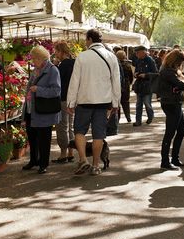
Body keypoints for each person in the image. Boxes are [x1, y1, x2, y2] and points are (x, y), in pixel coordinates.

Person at [66, 29, 120, 176]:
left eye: (86, 39)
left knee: (79, 131)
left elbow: (74, 81)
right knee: (99, 135)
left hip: (84, 101)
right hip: (103, 102)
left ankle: (83, 159)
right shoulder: (111, 57)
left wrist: (70, 102)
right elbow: (116, 82)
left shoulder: (82, 57)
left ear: (89, 39)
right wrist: (116, 103)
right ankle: (96, 165)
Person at [21, 45, 62, 174]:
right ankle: (34, 160)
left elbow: (56, 91)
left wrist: (39, 90)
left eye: (34, 59)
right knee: (32, 137)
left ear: (41, 58)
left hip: (43, 111)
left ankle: (43, 164)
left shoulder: (52, 70)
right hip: (31, 109)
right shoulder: (36, 69)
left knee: (44, 139)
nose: (32, 61)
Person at [156, 49, 184, 170]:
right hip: (171, 103)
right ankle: (165, 161)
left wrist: (182, 83)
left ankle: (174, 158)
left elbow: (182, 84)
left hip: (173, 102)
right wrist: (182, 83)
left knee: (181, 131)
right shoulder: (168, 72)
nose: (181, 64)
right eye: (180, 62)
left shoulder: (168, 71)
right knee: (170, 133)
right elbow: (182, 85)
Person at [52, 41, 76, 164]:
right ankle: (71, 152)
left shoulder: (63, 65)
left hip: (63, 98)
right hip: (73, 99)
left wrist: (55, 66)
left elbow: (58, 82)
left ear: (61, 51)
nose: (55, 54)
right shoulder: (75, 63)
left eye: (56, 51)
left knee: (62, 126)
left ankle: (63, 154)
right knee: (70, 126)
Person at [132, 45, 158, 126]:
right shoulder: (138, 60)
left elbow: (156, 73)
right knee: (138, 104)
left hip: (147, 85)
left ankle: (150, 116)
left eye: (138, 53)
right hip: (139, 85)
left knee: (147, 104)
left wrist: (146, 75)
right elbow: (136, 71)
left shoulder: (150, 60)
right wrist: (136, 74)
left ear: (143, 52)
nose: (137, 54)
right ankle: (138, 121)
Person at [116, 50, 134, 123]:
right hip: (126, 85)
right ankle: (128, 117)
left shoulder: (116, 64)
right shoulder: (128, 65)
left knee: (118, 102)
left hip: (118, 84)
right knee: (126, 102)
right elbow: (131, 76)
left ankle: (118, 118)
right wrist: (130, 83)